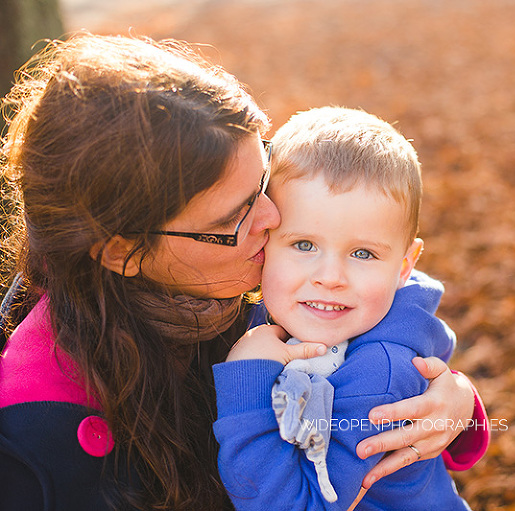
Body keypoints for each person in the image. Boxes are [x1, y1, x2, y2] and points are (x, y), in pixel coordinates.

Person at [0, 34, 487, 510]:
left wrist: (456, 405)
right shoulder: (38, 438)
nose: (273, 219)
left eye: (261, 182)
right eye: (232, 217)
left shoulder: (238, 281)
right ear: (123, 253)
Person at [214, 106, 487, 509]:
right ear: (264, 239)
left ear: (405, 266)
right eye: (304, 245)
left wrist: (247, 381)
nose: (331, 276)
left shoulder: (381, 376)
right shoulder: (278, 314)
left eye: (362, 253)